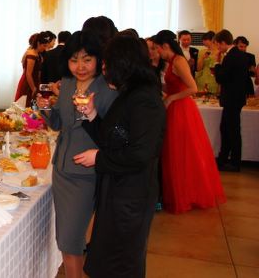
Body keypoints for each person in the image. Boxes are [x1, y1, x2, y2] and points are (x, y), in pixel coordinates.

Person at [72, 35, 165, 278]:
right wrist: (91, 114)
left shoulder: (145, 99)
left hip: (132, 193)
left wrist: (98, 158)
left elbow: (140, 154)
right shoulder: (128, 94)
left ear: (123, 63)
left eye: (107, 64)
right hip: (117, 188)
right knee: (107, 255)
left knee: (122, 260)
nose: (104, 69)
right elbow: (111, 137)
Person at [36, 31, 117, 278]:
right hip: (61, 168)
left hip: (86, 172)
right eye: (74, 60)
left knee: (70, 239)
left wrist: (92, 114)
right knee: (65, 237)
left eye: (87, 60)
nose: (80, 67)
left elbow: (112, 134)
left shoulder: (108, 88)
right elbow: (59, 124)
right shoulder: (67, 83)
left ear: (98, 60)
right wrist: (45, 108)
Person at [152, 30, 225, 212]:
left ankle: (185, 194)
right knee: (175, 152)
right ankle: (178, 192)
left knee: (181, 151)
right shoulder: (172, 61)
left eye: (157, 48)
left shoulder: (178, 61)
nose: (157, 52)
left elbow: (192, 88)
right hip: (175, 107)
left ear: (165, 46)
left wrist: (171, 97)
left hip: (182, 109)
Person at [214, 30, 249, 172]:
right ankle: (224, 159)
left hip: (231, 99)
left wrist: (217, 63)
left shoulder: (230, 57)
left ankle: (233, 162)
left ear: (223, 42)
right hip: (237, 98)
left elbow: (221, 78)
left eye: (217, 44)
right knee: (227, 128)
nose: (217, 48)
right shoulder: (240, 55)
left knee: (231, 130)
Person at [14, 31, 55, 103]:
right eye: (44, 45)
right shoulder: (31, 54)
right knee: (25, 103)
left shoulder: (38, 54)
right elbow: (28, 74)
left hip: (35, 81)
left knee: (33, 105)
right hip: (29, 83)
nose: (45, 48)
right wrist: (33, 88)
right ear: (38, 43)